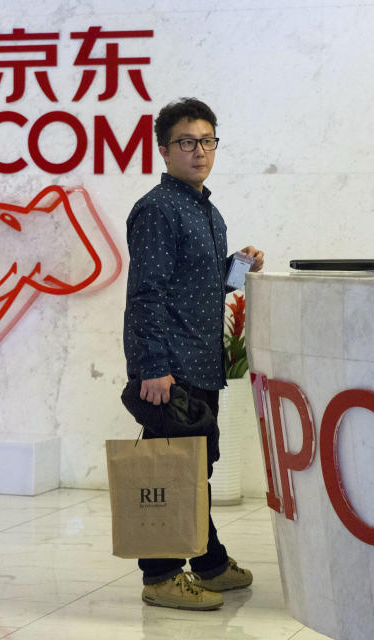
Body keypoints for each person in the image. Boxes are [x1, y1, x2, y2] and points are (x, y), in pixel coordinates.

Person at [122, 97, 264, 611]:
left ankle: (209, 563)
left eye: (207, 141)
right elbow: (147, 293)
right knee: (170, 469)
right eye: (186, 141)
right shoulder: (159, 209)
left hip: (200, 361)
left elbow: (196, 285)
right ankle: (160, 576)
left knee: (194, 466)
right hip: (171, 366)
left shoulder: (205, 207)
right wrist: (153, 368)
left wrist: (237, 266)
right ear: (163, 149)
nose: (199, 151)